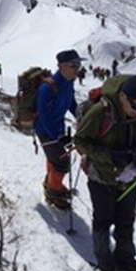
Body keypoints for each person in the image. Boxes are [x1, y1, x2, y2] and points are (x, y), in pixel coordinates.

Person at [75, 75, 136, 271]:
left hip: (131, 176)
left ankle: (125, 258)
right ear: (122, 97)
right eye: (135, 104)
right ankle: (105, 266)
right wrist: (110, 156)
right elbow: (80, 141)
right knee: (103, 220)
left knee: (126, 219)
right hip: (101, 177)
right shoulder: (101, 112)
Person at [35, 49, 83, 209]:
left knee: (55, 159)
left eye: (79, 65)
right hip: (46, 131)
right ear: (61, 66)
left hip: (58, 130)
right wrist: (57, 136)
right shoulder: (48, 87)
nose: (78, 69)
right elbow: (44, 116)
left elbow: (70, 103)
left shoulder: (68, 83)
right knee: (62, 163)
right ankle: (53, 194)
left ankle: (51, 184)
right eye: (74, 65)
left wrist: (82, 117)